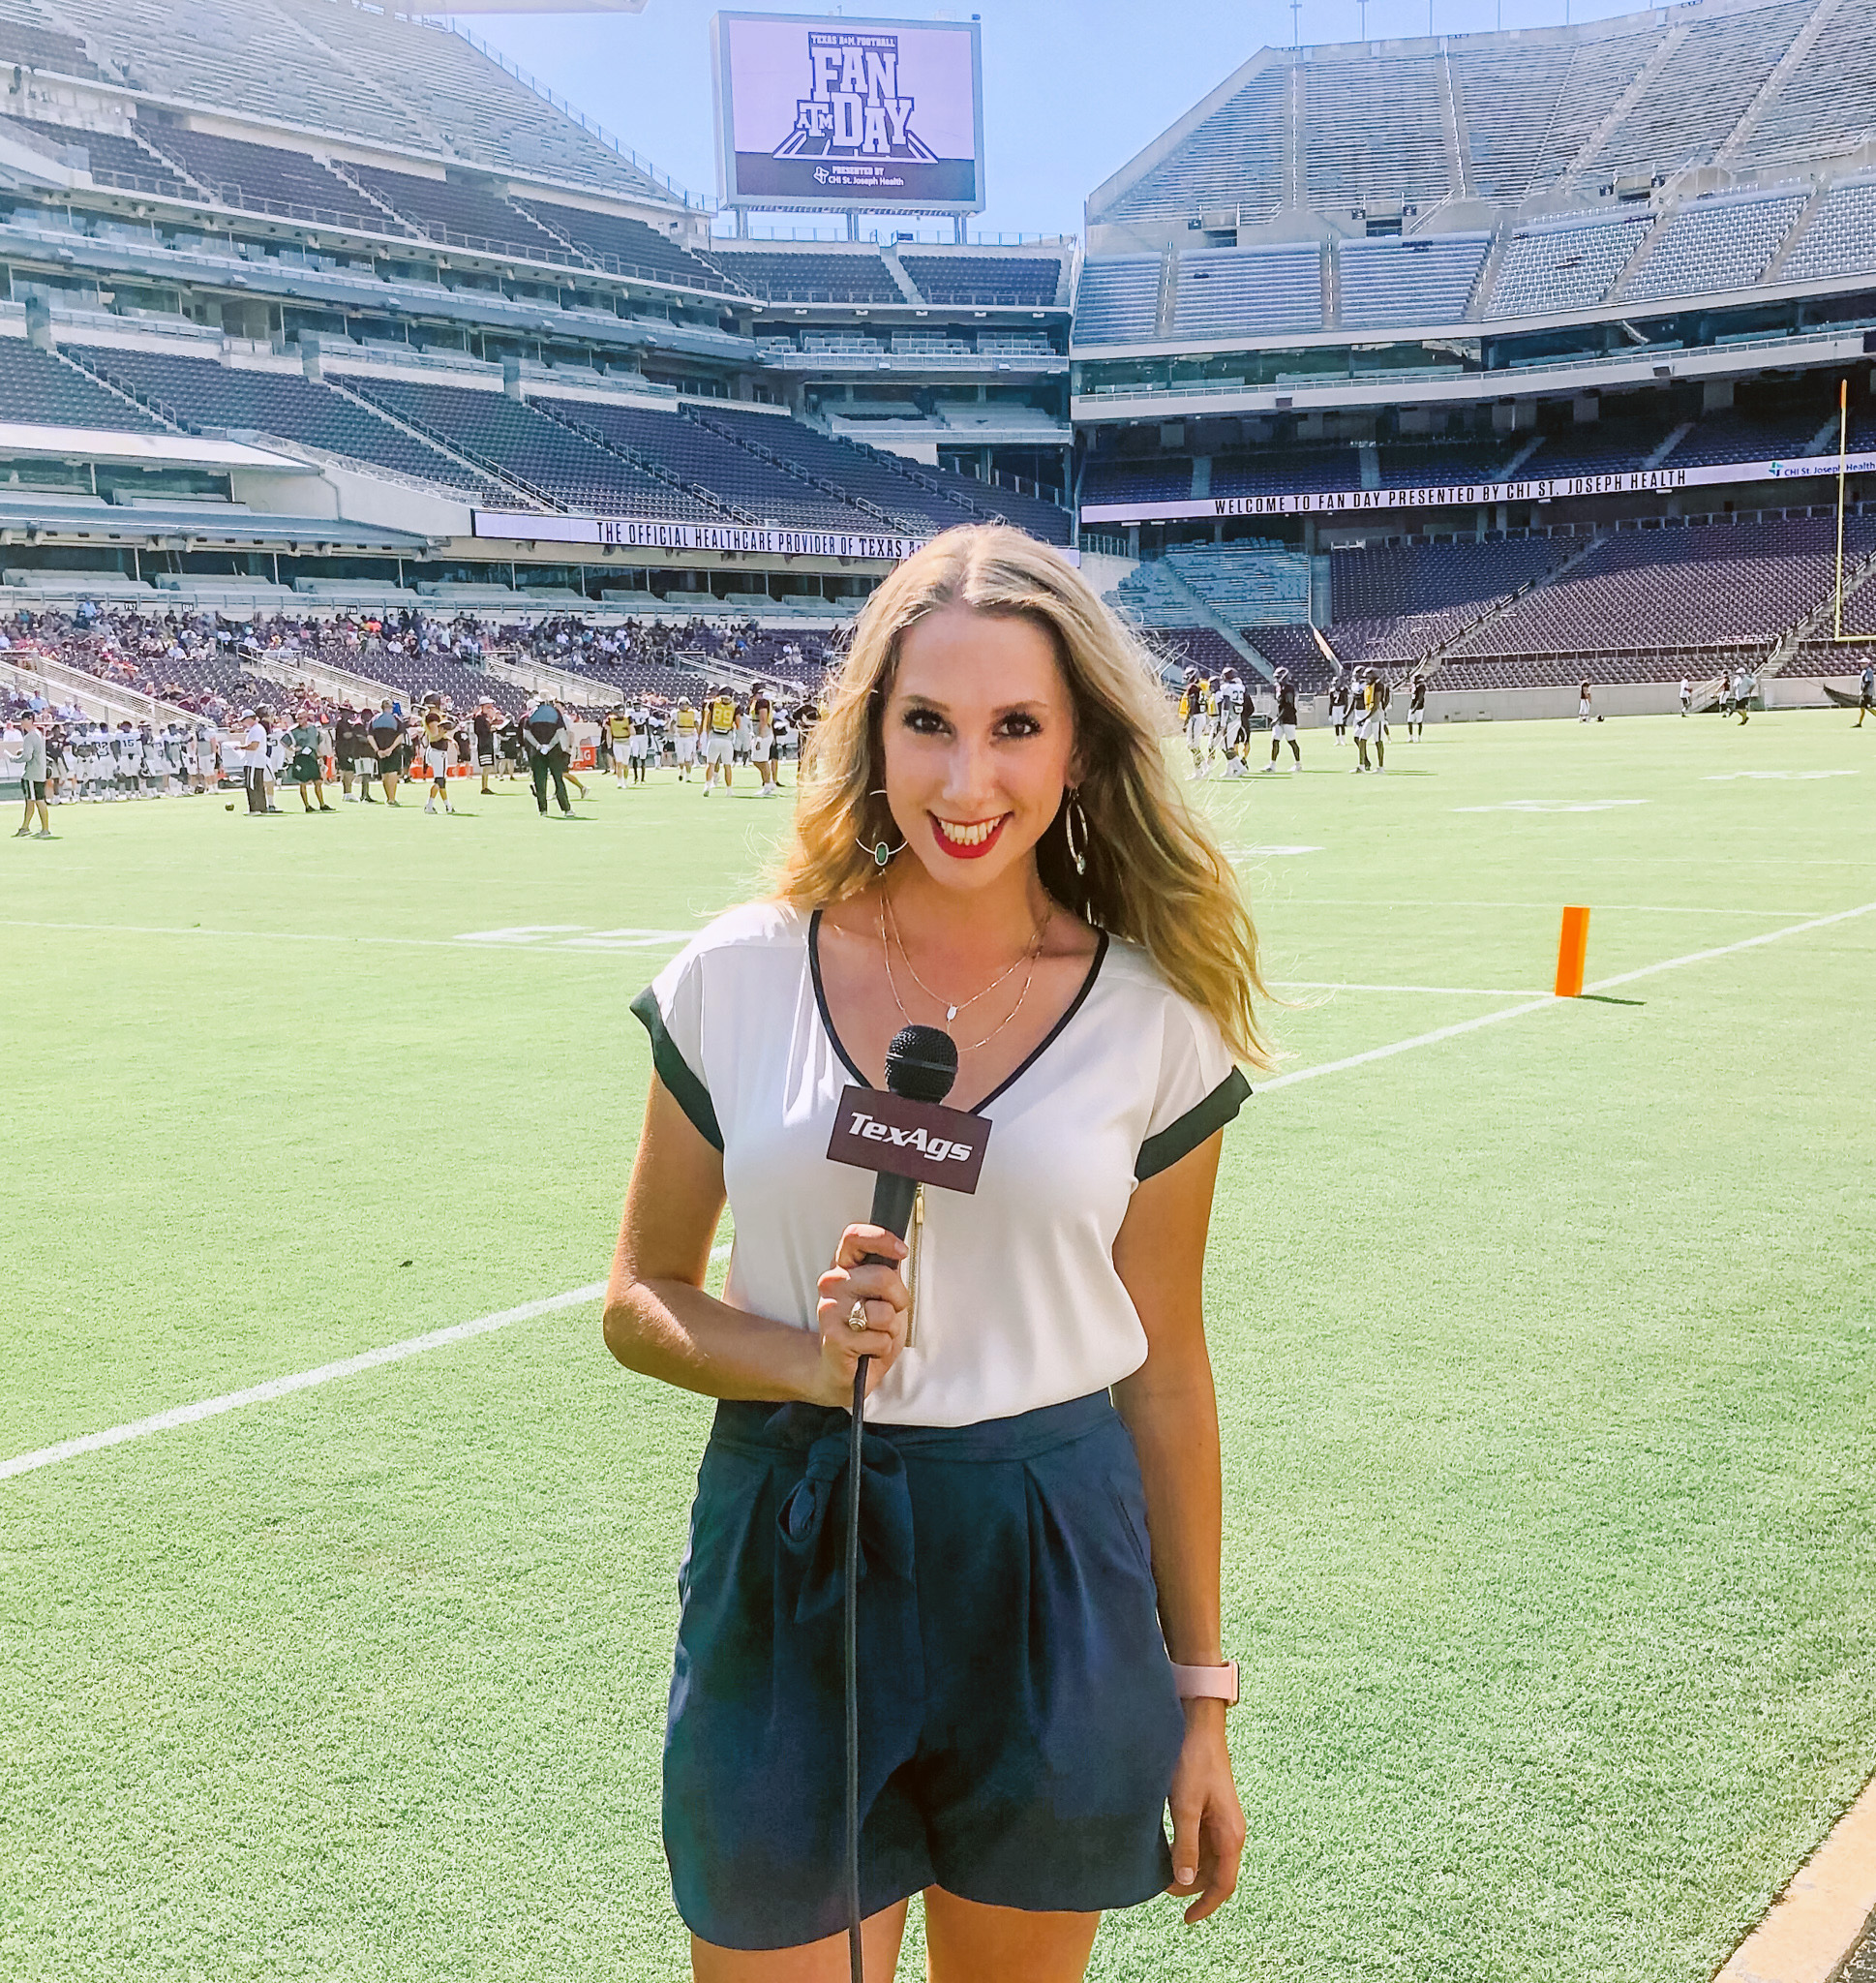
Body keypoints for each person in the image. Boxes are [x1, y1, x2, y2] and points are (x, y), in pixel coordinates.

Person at [607, 525, 1256, 1981]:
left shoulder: (1154, 1021)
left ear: (1080, 745)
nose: (969, 782)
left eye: (1015, 728)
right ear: (873, 735)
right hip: (794, 1538)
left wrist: (1199, 1696)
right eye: (928, 725)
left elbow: (1164, 1369)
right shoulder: (736, 975)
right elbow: (638, 1297)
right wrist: (800, 1352)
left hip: (1047, 1554)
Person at [521, 694, 575, 818]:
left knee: (539, 780)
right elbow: (560, 732)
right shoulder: (555, 713)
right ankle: (566, 809)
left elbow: (526, 733)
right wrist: (549, 745)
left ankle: (543, 810)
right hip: (554, 751)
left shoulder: (531, 714)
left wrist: (539, 746)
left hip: (536, 751)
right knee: (558, 779)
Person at [13, 708, 50, 838]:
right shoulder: (38, 734)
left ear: (29, 720)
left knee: (38, 800)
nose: (21, 722)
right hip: (39, 772)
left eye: (23, 719)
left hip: (33, 773)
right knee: (31, 800)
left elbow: (27, 757)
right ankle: (25, 827)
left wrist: (14, 758)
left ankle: (45, 829)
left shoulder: (30, 736)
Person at [289, 710, 333, 813]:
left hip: (312, 757)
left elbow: (318, 741)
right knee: (303, 783)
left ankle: (322, 804)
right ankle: (307, 806)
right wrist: (294, 749)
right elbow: (284, 741)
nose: (299, 720)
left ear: (306, 718)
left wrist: (319, 753)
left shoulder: (313, 728)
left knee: (318, 781)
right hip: (301, 758)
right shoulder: (293, 731)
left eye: (301, 718)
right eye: (298, 718)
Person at [367, 699, 406, 805]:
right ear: (391, 707)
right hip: (393, 750)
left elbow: (370, 736)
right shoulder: (396, 719)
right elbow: (400, 736)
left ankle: (388, 797)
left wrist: (377, 750)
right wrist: (391, 749)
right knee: (392, 772)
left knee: (384, 773)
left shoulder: (374, 719)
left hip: (380, 750)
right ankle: (392, 799)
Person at [1263, 667, 1301, 773]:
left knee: (1292, 741)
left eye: (1278, 677)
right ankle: (1272, 765)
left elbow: (1288, 706)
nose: (1276, 679)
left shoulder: (1289, 689)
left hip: (1288, 718)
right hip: (1280, 718)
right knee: (1275, 741)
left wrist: (1277, 718)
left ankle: (1298, 764)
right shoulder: (1279, 688)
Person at [703, 684, 738, 795]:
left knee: (710, 764)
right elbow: (738, 724)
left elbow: (707, 721)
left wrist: (708, 734)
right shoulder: (735, 706)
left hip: (714, 736)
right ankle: (729, 790)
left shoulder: (712, 704)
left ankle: (707, 786)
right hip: (727, 738)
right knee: (727, 766)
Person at [420, 698, 454, 814]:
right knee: (439, 780)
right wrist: (444, 732)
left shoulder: (431, 716)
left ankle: (448, 806)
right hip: (438, 752)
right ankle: (429, 805)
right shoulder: (433, 717)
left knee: (441, 781)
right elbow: (434, 737)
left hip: (435, 751)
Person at [1214, 667, 1246, 778]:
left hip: (1230, 719)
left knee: (1228, 747)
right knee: (1225, 746)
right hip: (1237, 718)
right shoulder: (1240, 687)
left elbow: (1226, 704)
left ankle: (1240, 768)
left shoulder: (1226, 688)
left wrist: (1223, 722)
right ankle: (1230, 770)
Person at [750, 682, 778, 795]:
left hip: (763, 733)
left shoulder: (761, 702)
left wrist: (760, 738)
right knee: (758, 760)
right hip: (761, 732)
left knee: (760, 760)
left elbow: (763, 720)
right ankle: (769, 782)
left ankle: (767, 785)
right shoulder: (759, 701)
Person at [473, 699, 500, 793]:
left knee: (488, 766)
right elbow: (480, 731)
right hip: (484, 743)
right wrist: (491, 728)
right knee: (486, 766)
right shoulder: (480, 717)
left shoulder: (485, 717)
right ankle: (484, 787)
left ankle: (485, 786)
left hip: (488, 743)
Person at [608, 704, 634, 787]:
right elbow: (609, 732)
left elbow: (633, 732)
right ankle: (619, 781)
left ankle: (625, 782)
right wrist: (609, 743)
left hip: (626, 742)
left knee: (625, 764)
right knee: (618, 762)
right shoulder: (610, 720)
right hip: (617, 742)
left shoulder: (628, 719)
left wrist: (628, 729)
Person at [673, 696, 700, 779]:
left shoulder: (693, 713)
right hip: (679, 737)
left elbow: (696, 724)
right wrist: (672, 732)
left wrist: (699, 735)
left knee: (688, 757)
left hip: (689, 737)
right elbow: (672, 723)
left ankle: (688, 775)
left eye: (685, 704)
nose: (684, 706)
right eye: (682, 705)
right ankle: (681, 770)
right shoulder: (676, 713)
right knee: (680, 758)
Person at [1328, 675, 1348, 743]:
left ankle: (1343, 740)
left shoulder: (1343, 690)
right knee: (1336, 724)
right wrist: (1330, 713)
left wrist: (1345, 711)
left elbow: (1346, 701)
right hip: (1335, 708)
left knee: (1341, 724)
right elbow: (1331, 703)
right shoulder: (1332, 691)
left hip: (1341, 707)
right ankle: (1338, 740)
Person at [1407, 673, 1427, 741]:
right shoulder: (1415, 686)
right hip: (1413, 706)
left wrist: (1415, 708)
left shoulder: (1421, 686)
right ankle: (1411, 737)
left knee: (1419, 722)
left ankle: (1419, 737)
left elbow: (1420, 699)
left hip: (1418, 707)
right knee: (1409, 722)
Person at [1858, 661, 1874, 728]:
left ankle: (1859, 723)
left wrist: (1863, 691)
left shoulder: (1868, 671)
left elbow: (1868, 682)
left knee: (1868, 707)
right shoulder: (1864, 671)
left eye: (1863, 663)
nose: (1861, 664)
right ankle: (1859, 723)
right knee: (1862, 707)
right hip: (1865, 692)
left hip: (1867, 692)